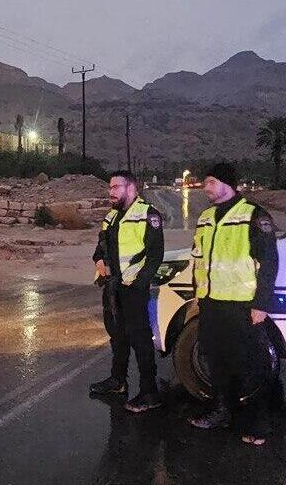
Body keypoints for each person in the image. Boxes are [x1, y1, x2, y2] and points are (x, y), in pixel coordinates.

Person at [187, 162, 278, 446]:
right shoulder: (205, 217)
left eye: (211, 181)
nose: (206, 187)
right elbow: (198, 262)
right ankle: (221, 411)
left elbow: (269, 263)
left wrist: (260, 304)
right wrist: (198, 296)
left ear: (227, 183)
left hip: (243, 306)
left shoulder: (253, 216)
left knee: (252, 364)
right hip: (212, 304)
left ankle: (256, 423)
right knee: (217, 361)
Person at [89, 170, 165, 413]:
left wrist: (139, 283)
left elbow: (155, 256)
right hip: (112, 288)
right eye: (109, 187)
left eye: (115, 187)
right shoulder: (111, 217)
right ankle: (117, 381)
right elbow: (100, 246)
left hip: (133, 289)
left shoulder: (148, 215)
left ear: (131, 188)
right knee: (117, 337)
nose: (110, 192)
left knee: (140, 340)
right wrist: (99, 260)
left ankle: (149, 392)